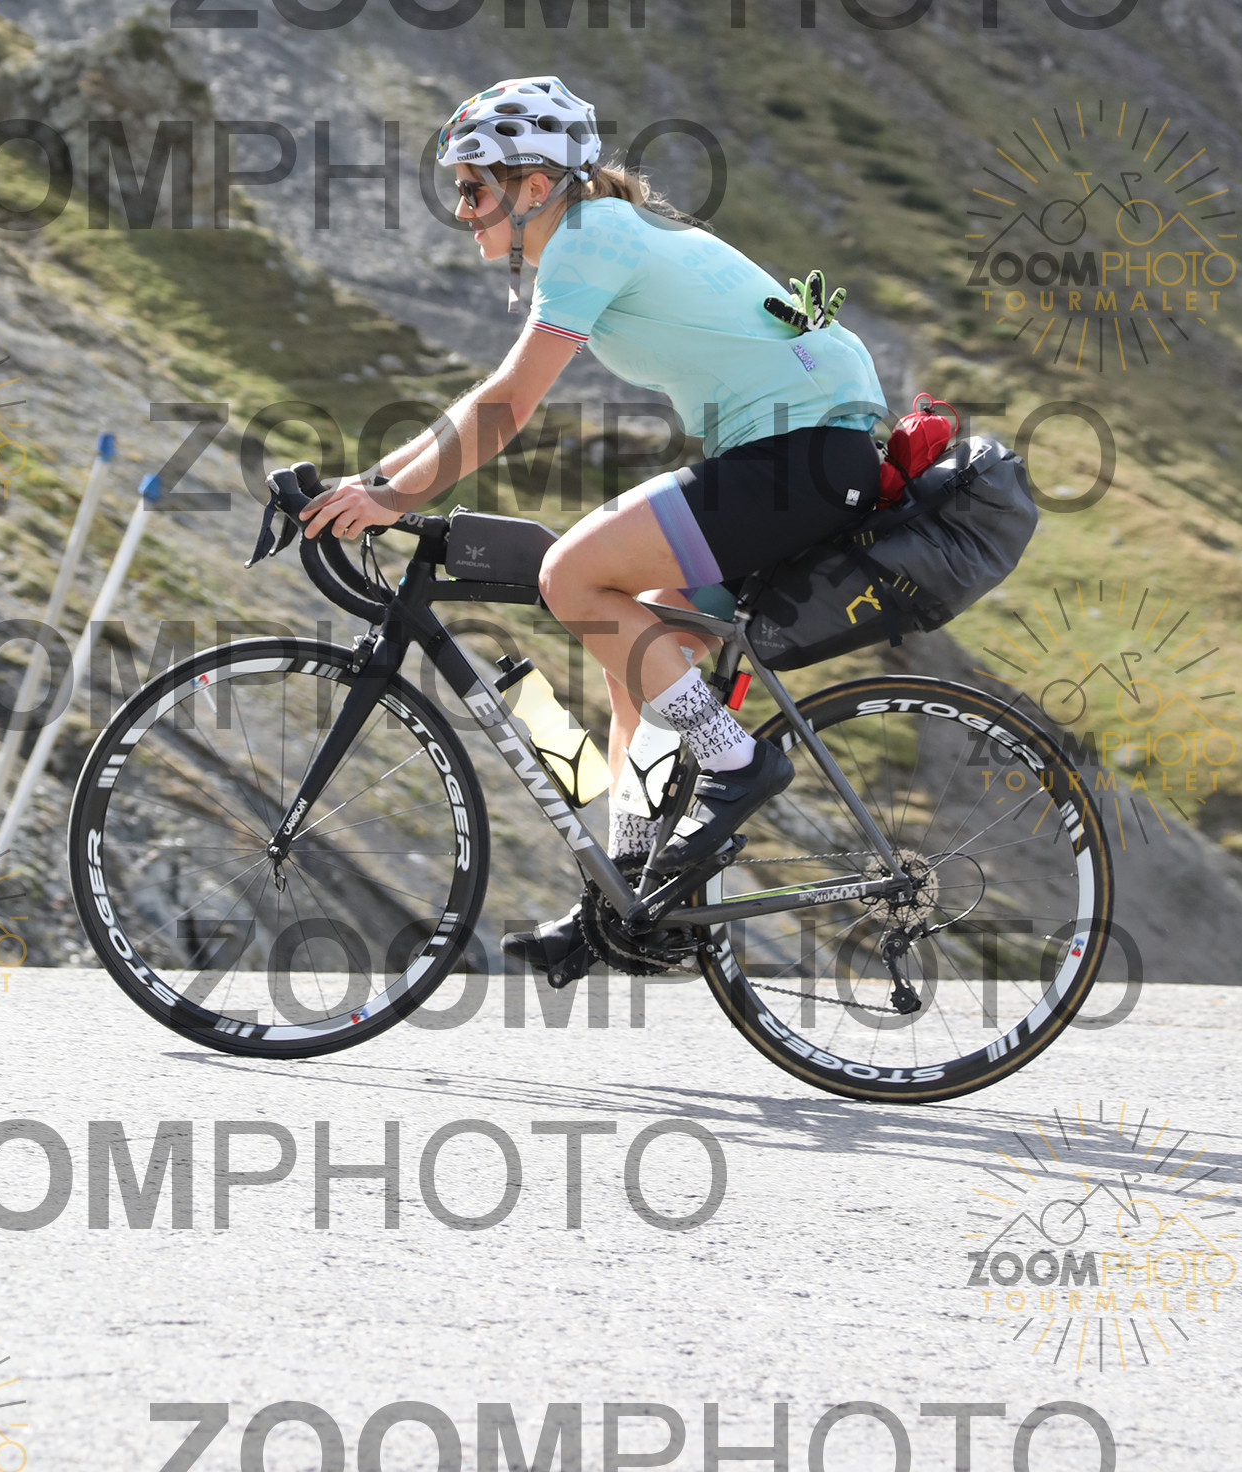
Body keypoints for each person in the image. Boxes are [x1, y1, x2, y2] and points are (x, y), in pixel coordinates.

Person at [299, 75, 887, 978]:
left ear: (536, 187)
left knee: (571, 576)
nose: (462, 209)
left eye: (473, 188)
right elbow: (489, 399)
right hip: (806, 457)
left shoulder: (587, 237)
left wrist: (390, 498)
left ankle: (737, 762)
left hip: (802, 456)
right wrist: (377, 484)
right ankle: (630, 899)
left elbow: (507, 404)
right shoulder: (603, 229)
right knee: (638, 650)